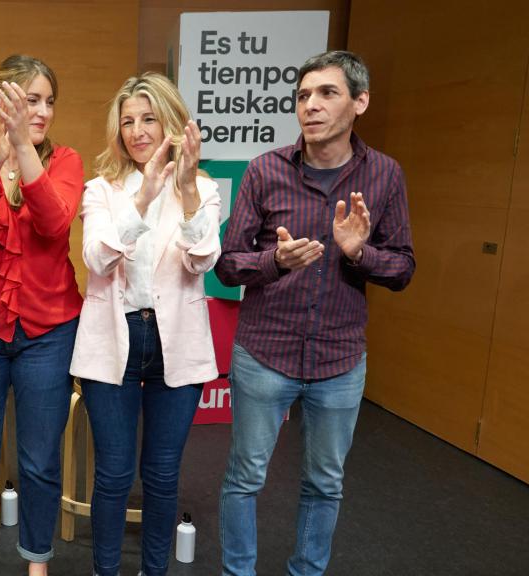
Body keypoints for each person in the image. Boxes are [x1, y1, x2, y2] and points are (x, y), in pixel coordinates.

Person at [214, 50, 415, 576]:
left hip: (340, 361)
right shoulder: (265, 171)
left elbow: (402, 270)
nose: (311, 105)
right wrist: (274, 262)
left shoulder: (386, 176)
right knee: (245, 478)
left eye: (327, 93)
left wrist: (359, 253)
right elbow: (227, 266)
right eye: (303, 96)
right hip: (265, 353)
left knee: (325, 483)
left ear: (360, 101)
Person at [69, 72, 221, 576]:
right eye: (128, 121)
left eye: (149, 119)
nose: (137, 131)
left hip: (174, 340)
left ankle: (153, 571)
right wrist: (142, 198)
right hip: (114, 339)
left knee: (161, 476)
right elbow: (97, 258)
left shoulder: (201, 187)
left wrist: (184, 194)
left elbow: (202, 262)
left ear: (172, 123)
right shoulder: (100, 189)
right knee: (113, 475)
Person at [0, 55, 83, 576]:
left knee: (40, 459)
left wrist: (24, 149)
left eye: (49, 100)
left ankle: (36, 560)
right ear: (1, 102)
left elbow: (53, 224)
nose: (43, 110)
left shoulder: (64, 160)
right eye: (32, 99)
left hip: (49, 329)